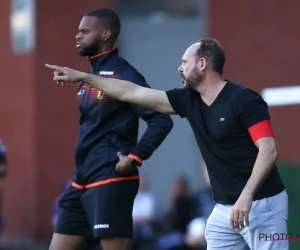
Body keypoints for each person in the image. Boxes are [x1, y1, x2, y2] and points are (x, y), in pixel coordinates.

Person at [45, 37, 288, 250]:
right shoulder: (188, 100)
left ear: (203, 64)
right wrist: (85, 77)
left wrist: (246, 196)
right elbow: (132, 93)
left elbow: (269, 149)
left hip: (262, 204)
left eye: (185, 62)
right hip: (225, 209)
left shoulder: (244, 100)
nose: (179, 68)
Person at [47, 8, 173, 250]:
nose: (77, 36)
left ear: (105, 34)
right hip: (79, 184)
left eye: (85, 31)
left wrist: (135, 157)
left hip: (110, 181)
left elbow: (161, 120)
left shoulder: (124, 74)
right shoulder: (87, 76)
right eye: (78, 31)